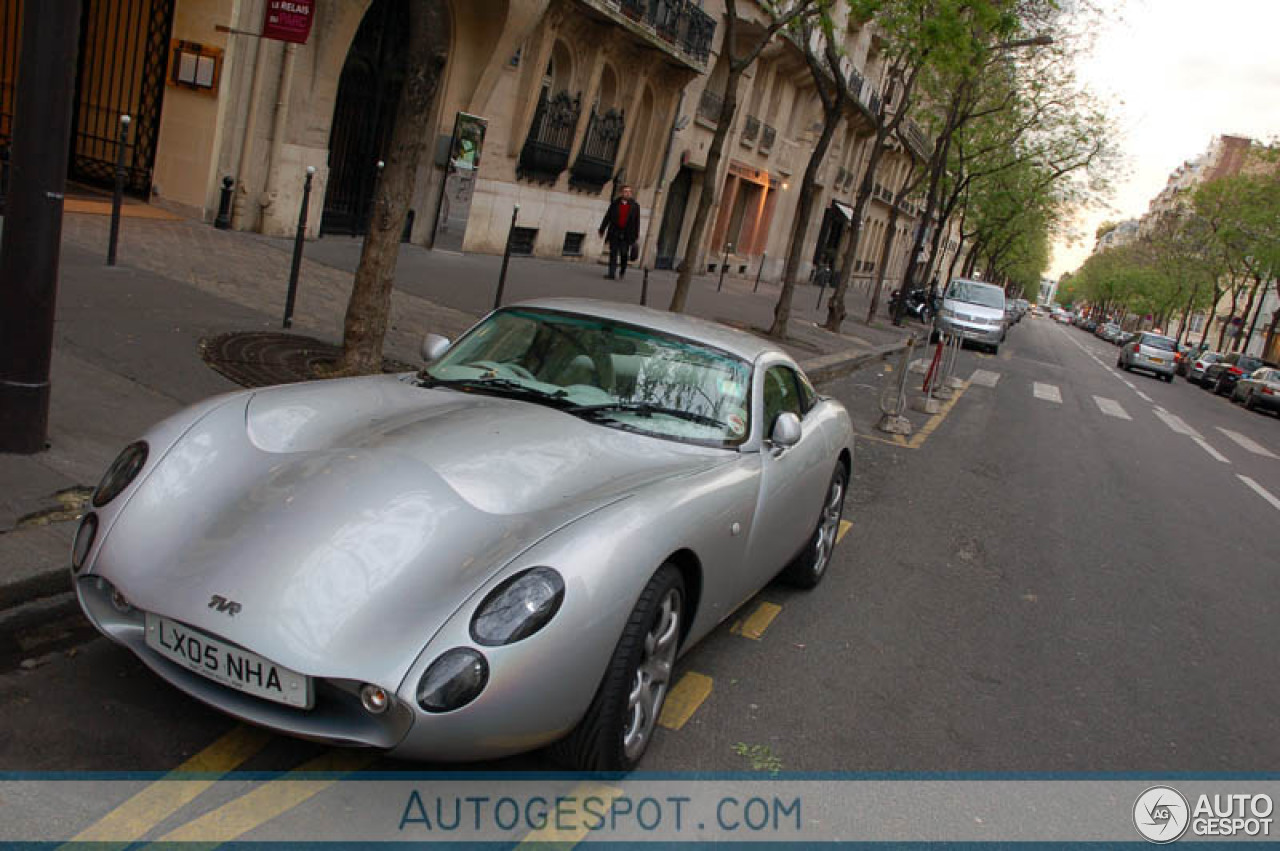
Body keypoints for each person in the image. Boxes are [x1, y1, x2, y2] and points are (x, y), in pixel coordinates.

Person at [599, 185, 641, 280]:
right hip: (615, 232)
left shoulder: (635, 206)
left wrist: (636, 235)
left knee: (624, 254)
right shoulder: (615, 204)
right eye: (625, 191)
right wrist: (602, 229)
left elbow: (637, 222)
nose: (627, 193)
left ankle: (622, 270)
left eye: (629, 192)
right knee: (613, 253)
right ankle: (611, 274)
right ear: (621, 193)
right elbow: (607, 217)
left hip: (627, 234)